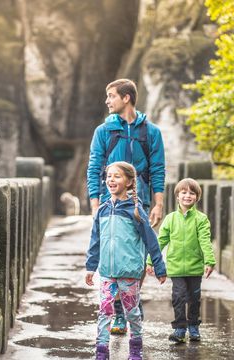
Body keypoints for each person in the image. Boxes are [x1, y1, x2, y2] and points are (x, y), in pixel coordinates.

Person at [86, 78, 166, 334]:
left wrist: (158, 203)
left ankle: (132, 298)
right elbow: (95, 168)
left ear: (126, 98)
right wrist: (95, 204)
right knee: (114, 252)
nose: (107, 101)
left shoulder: (151, 132)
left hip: (139, 200)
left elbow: (157, 169)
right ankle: (120, 313)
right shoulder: (103, 131)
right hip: (110, 203)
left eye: (111, 96)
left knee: (137, 254)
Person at [85, 161, 167, 360]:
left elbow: (151, 240)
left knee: (132, 312)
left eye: (117, 176)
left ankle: (136, 348)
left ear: (130, 182)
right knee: (104, 312)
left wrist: (159, 266)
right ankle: (102, 351)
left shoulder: (136, 211)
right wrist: (90, 267)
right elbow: (95, 240)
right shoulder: (102, 211)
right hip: (106, 272)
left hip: (129, 271)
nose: (111, 180)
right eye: (109, 176)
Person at [146, 178, 215, 343]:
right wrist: (150, 260)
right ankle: (179, 329)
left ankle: (193, 327)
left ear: (197, 197)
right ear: (177, 196)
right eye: (184, 192)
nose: (187, 196)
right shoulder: (170, 219)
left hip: (194, 267)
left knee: (194, 299)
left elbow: (205, 240)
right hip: (176, 268)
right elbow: (160, 241)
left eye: (192, 193)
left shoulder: (201, 219)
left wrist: (209, 261)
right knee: (178, 297)